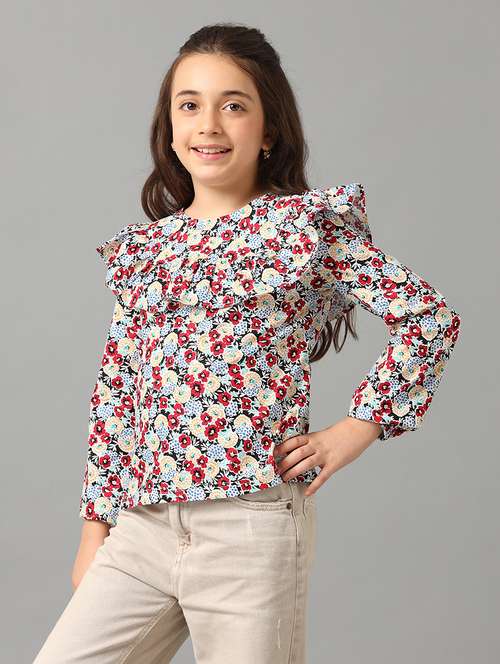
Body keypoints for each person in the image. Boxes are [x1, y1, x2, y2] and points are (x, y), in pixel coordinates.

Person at [33, 22, 462, 664]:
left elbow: (429, 319)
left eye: (233, 105)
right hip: (142, 530)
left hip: (249, 530)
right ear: (169, 127)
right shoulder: (147, 250)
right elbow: (117, 391)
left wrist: (356, 429)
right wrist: (95, 529)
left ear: (268, 131)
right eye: (190, 105)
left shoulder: (303, 229)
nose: (208, 124)